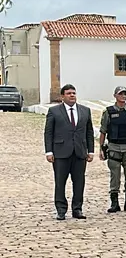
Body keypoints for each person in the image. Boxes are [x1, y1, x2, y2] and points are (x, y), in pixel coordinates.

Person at [44, 84, 94, 220]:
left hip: (79, 152)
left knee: (79, 182)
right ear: (62, 96)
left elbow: (89, 132)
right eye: (68, 93)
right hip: (60, 152)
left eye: (74, 93)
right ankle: (61, 209)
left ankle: (77, 209)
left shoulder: (85, 111)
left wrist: (91, 151)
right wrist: (49, 151)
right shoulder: (54, 111)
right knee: (60, 182)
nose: (72, 95)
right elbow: (48, 132)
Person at [99, 86, 126, 214]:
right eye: (120, 94)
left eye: (125, 94)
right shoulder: (108, 112)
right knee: (114, 176)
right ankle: (114, 203)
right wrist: (101, 148)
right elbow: (103, 131)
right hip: (114, 148)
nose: (123, 96)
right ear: (115, 96)